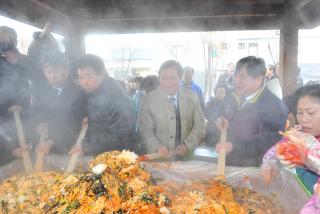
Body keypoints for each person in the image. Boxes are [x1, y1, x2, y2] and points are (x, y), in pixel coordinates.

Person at [215, 56, 288, 166]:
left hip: (255, 170)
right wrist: (220, 118)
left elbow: (268, 143)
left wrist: (234, 146)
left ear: (258, 79)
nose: (236, 80)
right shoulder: (233, 95)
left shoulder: (274, 106)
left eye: (242, 76)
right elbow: (219, 110)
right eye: (235, 75)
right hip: (229, 164)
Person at [261, 84, 320, 213]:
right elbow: (277, 149)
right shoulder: (299, 134)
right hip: (299, 197)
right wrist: (270, 162)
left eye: (311, 113)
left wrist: (311, 160)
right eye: (300, 112)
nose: (304, 119)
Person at [139, 60, 206, 159]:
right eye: (164, 78)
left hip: (186, 159)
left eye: (173, 78)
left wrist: (188, 145)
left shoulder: (192, 96)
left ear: (180, 78)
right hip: (159, 160)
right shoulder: (149, 100)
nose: (168, 82)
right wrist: (157, 147)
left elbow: (200, 124)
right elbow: (146, 130)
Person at [70, 54, 135, 156]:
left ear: (102, 74)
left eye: (88, 76)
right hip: (100, 155)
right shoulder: (95, 91)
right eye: (80, 77)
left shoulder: (116, 97)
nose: (84, 82)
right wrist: (90, 120)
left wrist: (86, 147)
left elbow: (120, 136)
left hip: (117, 158)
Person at [32, 52, 87, 155]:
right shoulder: (42, 90)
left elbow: (73, 124)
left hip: (68, 146)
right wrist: (39, 123)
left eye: (57, 71)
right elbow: (38, 111)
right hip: (43, 144)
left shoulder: (78, 92)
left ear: (66, 70)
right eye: (48, 72)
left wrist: (51, 142)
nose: (52, 76)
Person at [0, 26, 32, 165]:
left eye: (8, 40)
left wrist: (16, 60)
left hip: (24, 114)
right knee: (6, 156)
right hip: (2, 118)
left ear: (15, 41)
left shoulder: (24, 60)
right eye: (1, 40)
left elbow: (36, 76)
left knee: (26, 151)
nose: (4, 45)